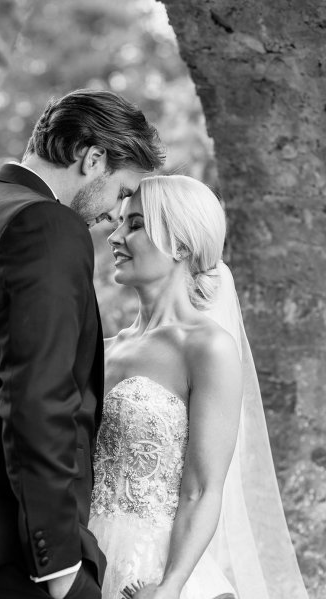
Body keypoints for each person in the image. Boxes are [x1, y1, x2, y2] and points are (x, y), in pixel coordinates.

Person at [0, 89, 164, 599]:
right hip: (15, 561)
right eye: (121, 192)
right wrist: (59, 569)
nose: (112, 217)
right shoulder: (45, 225)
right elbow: (37, 401)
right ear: (92, 157)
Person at [88, 175, 309, 599]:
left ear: (182, 246)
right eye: (118, 223)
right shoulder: (102, 350)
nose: (114, 236)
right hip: (84, 562)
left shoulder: (208, 349)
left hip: (155, 575)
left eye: (134, 225)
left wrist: (170, 586)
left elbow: (203, 489)